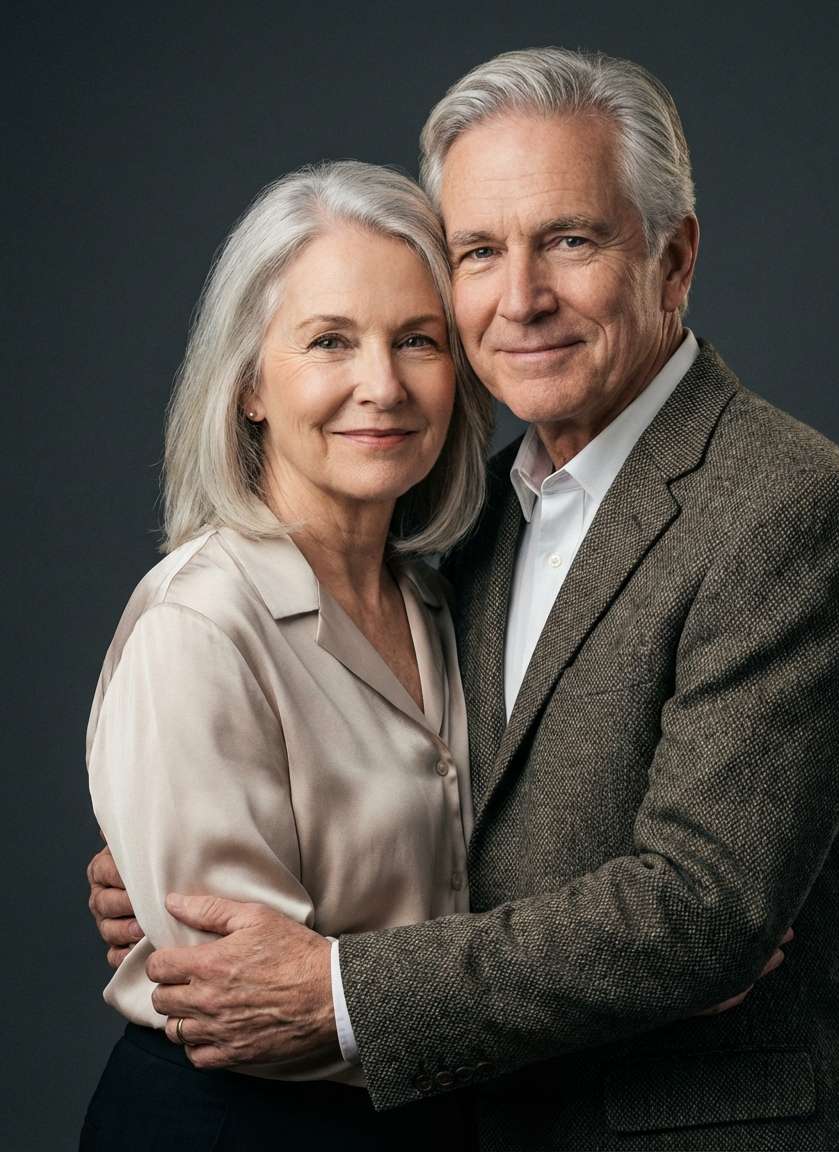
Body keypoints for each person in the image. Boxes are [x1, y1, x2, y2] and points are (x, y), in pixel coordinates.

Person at [89, 49, 839, 1152]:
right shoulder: (470, 530)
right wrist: (172, 872)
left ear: (674, 257)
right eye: (478, 251)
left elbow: (702, 912)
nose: (520, 299)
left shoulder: (783, 508)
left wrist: (334, 983)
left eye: (570, 239)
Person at [81, 159, 494, 1149]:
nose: (381, 385)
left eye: (417, 341)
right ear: (252, 386)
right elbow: (257, 1011)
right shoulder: (202, 627)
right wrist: (613, 996)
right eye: (329, 342)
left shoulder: (441, 602)